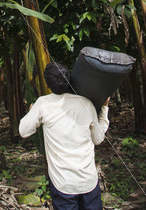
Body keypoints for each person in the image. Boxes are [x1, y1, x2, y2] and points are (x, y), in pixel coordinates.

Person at [19, 62, 110, 210]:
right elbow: (98, 139)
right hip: (88, 182)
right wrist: (104, 109)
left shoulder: (42, 104)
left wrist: (31, 112)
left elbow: (24, 131)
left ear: (47, 85)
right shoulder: (86, 103)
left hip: (63, 184)